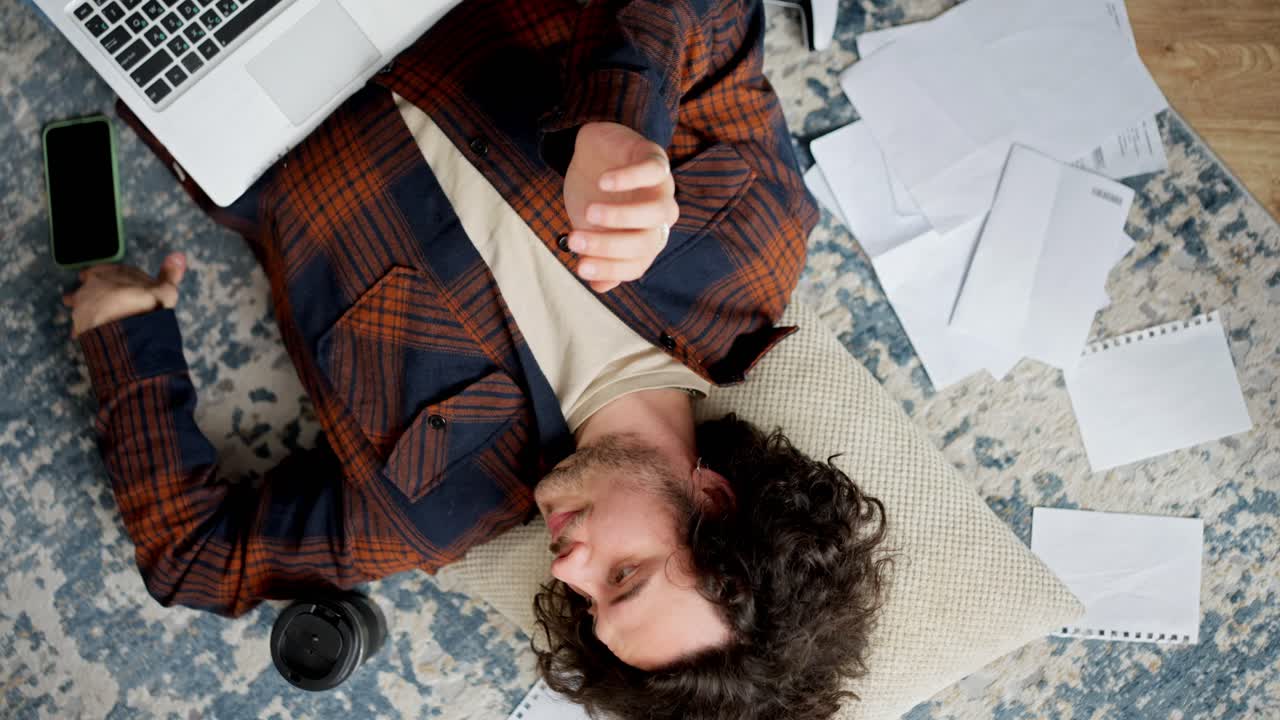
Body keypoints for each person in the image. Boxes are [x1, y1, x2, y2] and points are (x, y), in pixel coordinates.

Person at [64, 0, 888, 716]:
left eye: (590, 604)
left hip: (218, 55)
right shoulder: (748, 245)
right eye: (625, 575)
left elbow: (193, 559)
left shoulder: (433, 503)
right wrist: (621, 115)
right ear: (713, 494)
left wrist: (121, 333)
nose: (569, 571)